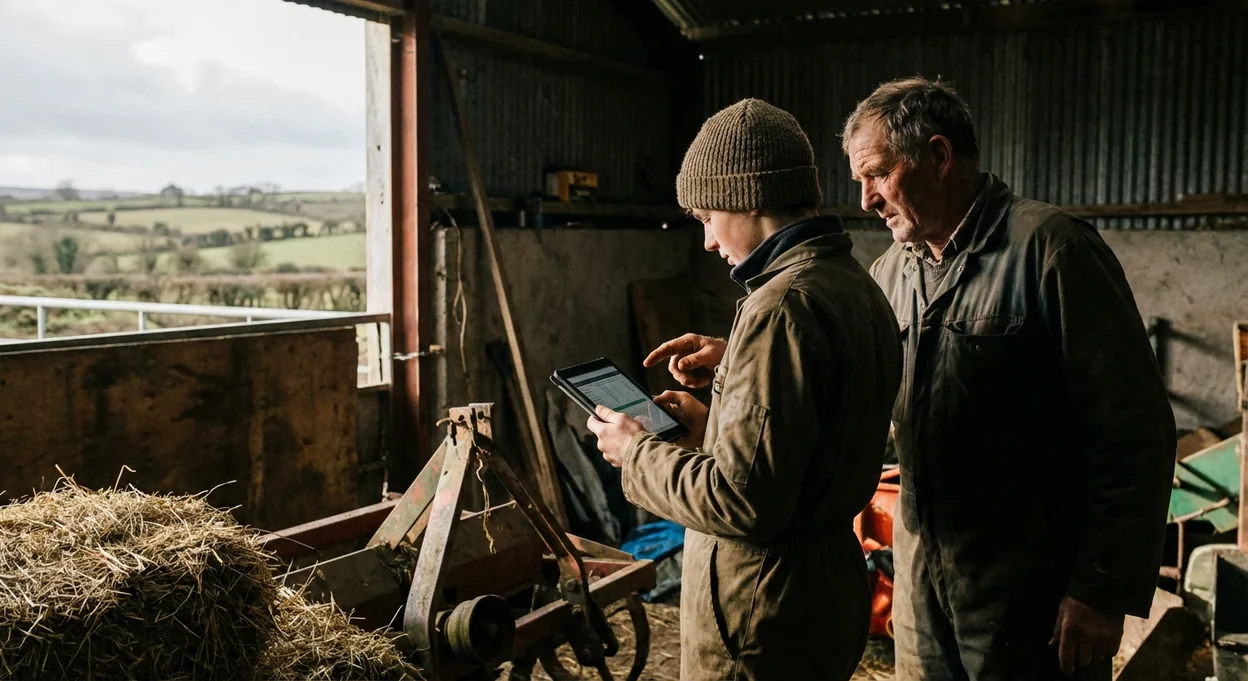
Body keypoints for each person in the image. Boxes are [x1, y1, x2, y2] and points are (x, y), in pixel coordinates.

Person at [838, 77, 1176, 680]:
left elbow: (1133, 431)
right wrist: (740, 356)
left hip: (1029, 589)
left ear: (939, 157)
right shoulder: (890, 273)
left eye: (877, 174)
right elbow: (847, 383)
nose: (865, 199)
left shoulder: (1053, 251)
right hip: (921, 585)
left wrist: (1100, 591)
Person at [586, 97, 902, 681]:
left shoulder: (779, 307)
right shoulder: (855, 283)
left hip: (759, 615)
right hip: (823, 592)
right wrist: (720, 413)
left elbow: (742, 501)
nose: (707, 241)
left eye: (708, 218)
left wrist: (637, 452)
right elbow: (807, 442)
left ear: (750, 197)